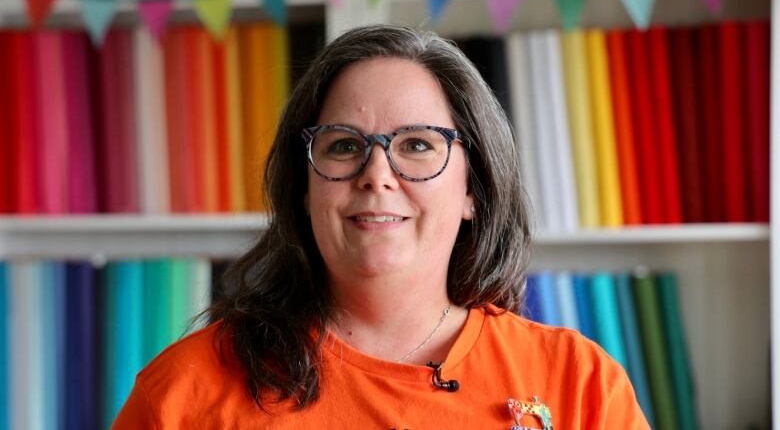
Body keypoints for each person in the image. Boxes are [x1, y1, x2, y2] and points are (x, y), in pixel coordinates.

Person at [113, 24, 649, 429]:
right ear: (303, 189)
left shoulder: (582, 384)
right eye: (344, 145)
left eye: (417, 145)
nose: (377, 175)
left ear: (473, 189)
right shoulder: (184, 391)